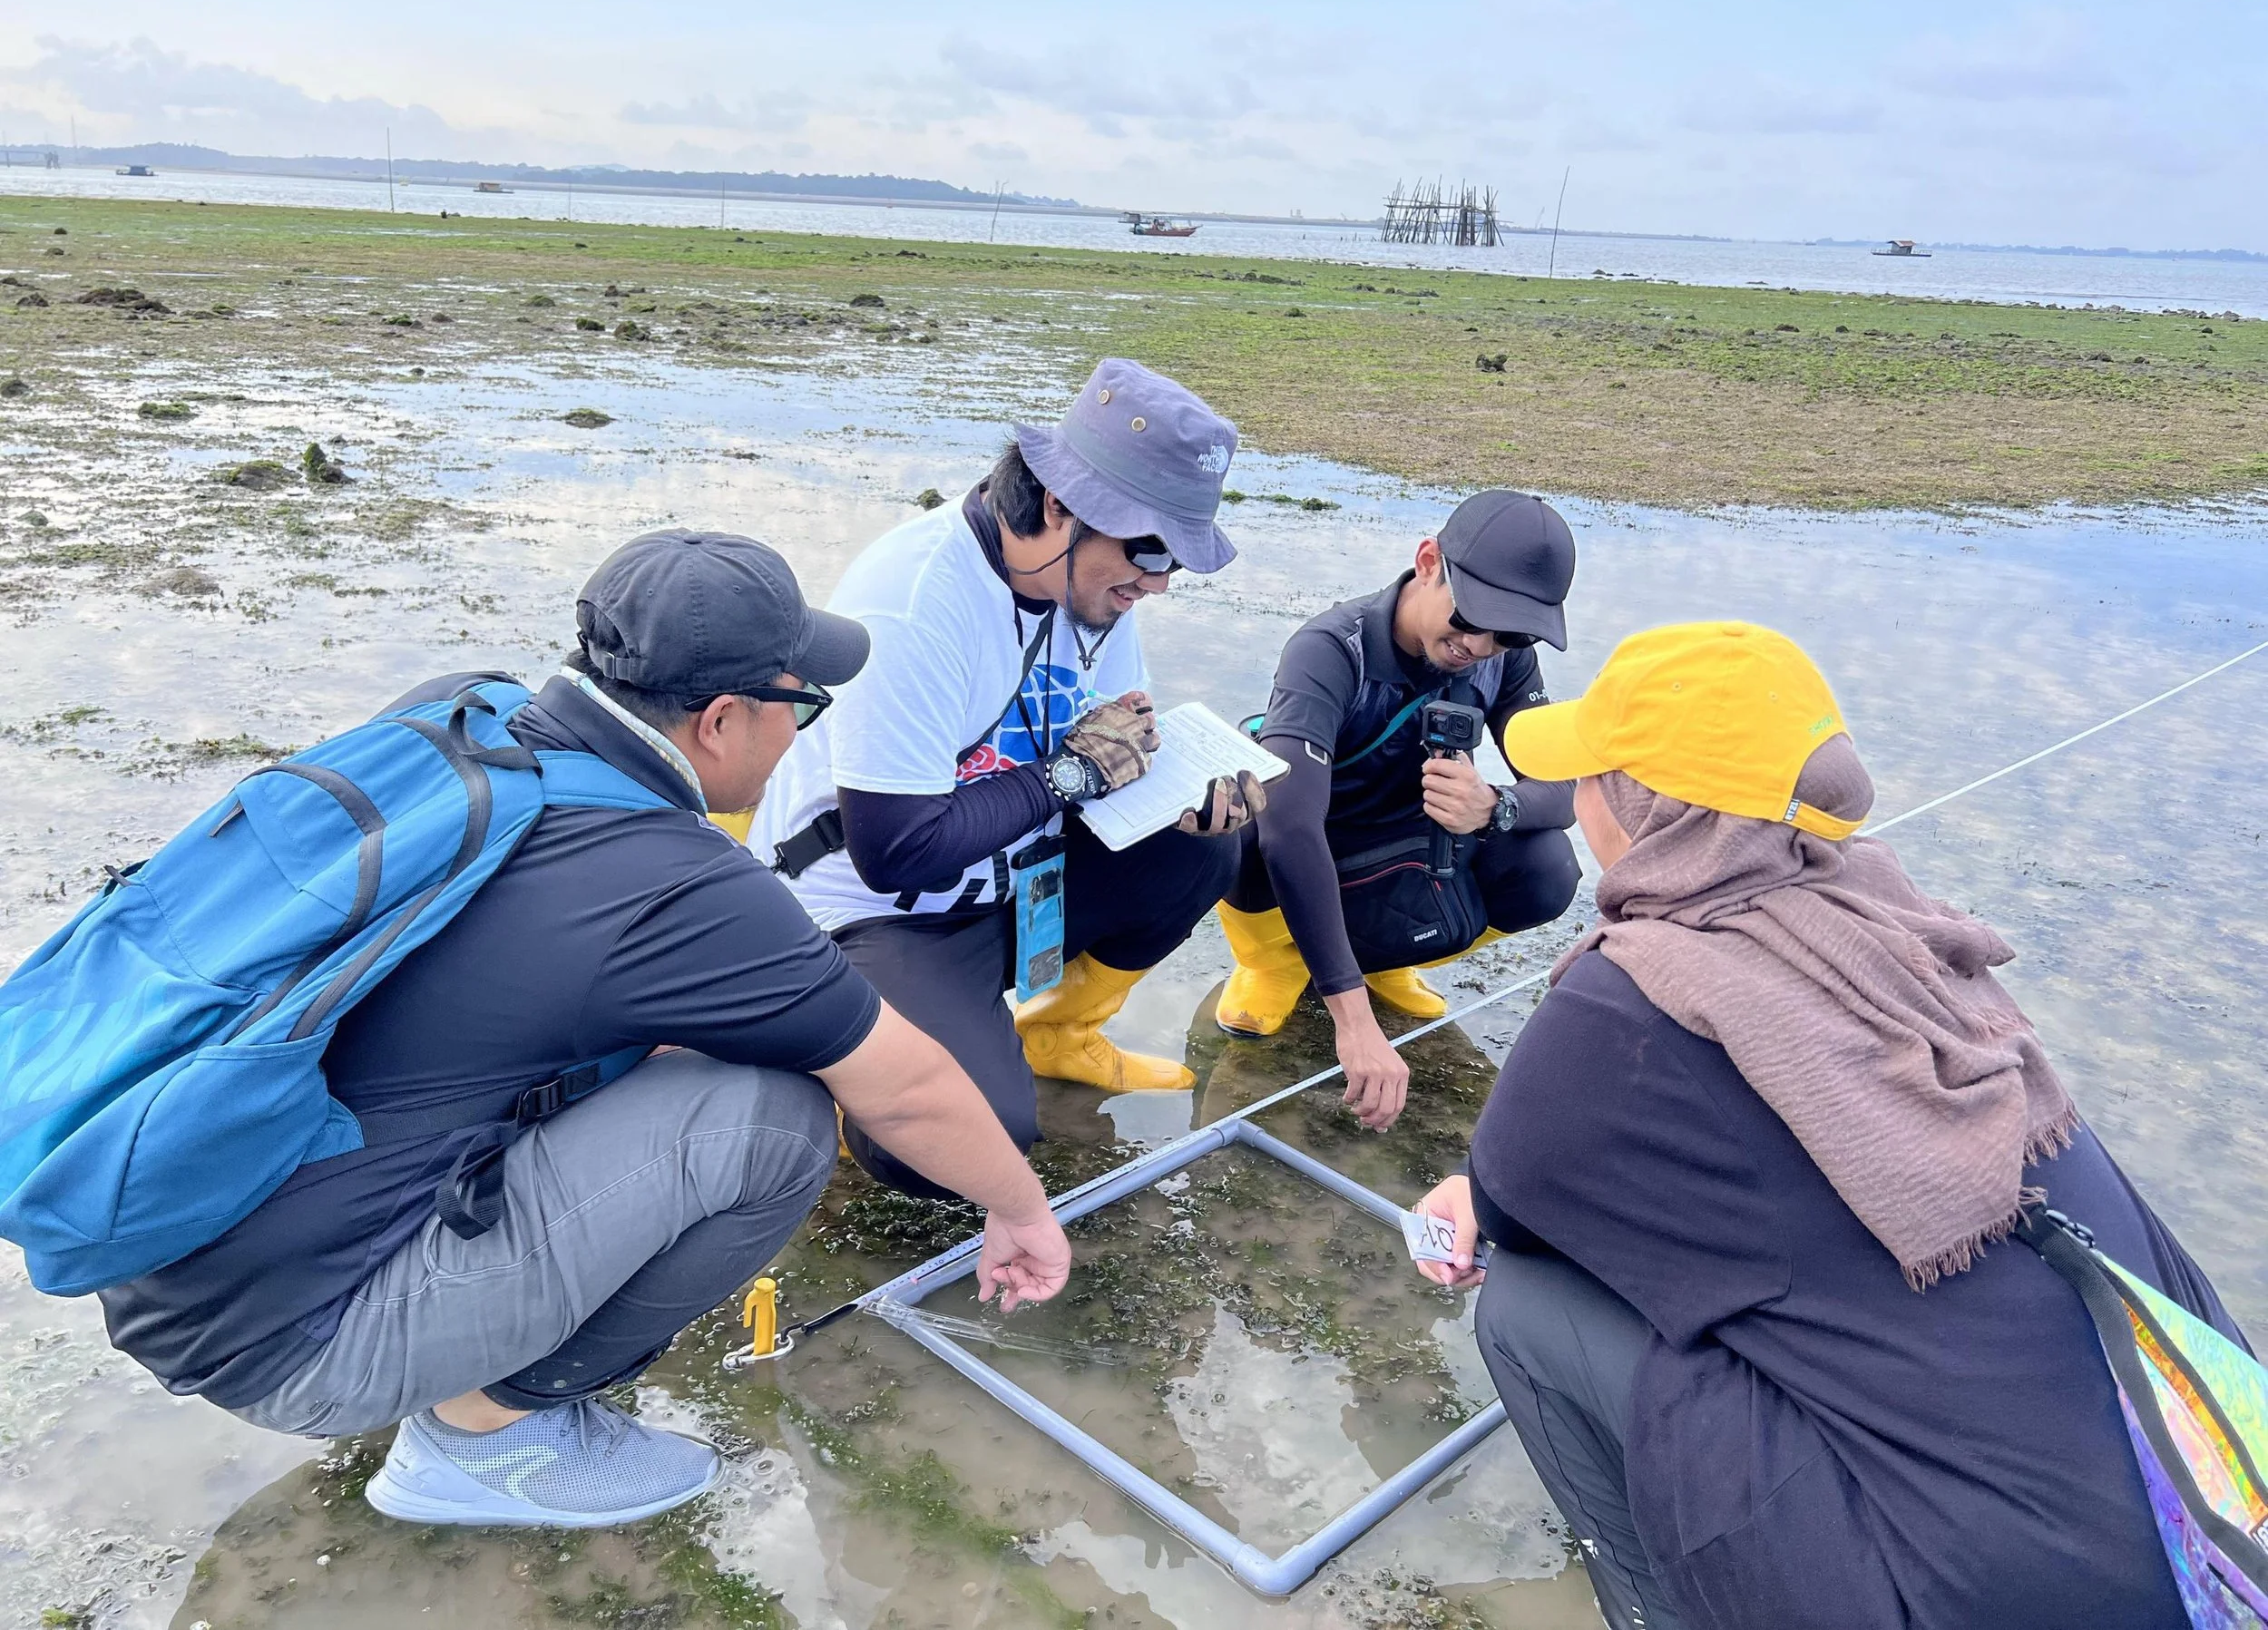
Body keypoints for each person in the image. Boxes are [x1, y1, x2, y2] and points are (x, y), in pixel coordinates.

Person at [97, 531, 1073, 1530]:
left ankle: (456, 1368)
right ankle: (486, 1436)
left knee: (682, 1048)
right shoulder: (676, 884)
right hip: (295, 1341)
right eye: (801, 706)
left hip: (175, 1241)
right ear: (723, 719)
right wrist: (1022, 1212)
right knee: (774, 1121)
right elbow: (903, 1087)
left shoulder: (460, 717)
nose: (801, 737)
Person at [1414, 620, 2245, 1630]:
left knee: (1526, 1307)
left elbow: (1505, 1204)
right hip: (2213, 1502)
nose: (1580, 799)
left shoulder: (1630, 998)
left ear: (1644, 807)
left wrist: (1472, 1193)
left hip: (1984, 1594)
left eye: (1595, 774)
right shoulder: (1893, 917)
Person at [745, 358, 1266, 1199]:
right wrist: (1068, 773)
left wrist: (1188, 800)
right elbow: (896, 853)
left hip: (1011, 881)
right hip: (877, 916)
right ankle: (837, 1063)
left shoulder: (1097, 595)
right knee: (965, 1147)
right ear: (1060, 504)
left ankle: (1056, 1032)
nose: (1161, 582)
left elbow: (1112, 755)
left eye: (1178, 559)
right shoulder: (917, 599)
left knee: (1207, 849)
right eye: (1150, 549)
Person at [1215, 490, 1582, 1129]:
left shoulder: (1505, 658)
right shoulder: (1332, 648)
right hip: (1304, 860)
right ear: (1428, 560)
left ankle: (1388, 961)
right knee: (1249, 822)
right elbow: (1291, 829)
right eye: (1471, 617)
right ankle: (1275, 964)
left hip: (1398, 855)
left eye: (1510, 632)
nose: (1480, 644)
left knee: (1547, 863)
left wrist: (1494, 803)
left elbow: (1565, 788)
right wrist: (1352, 1019)